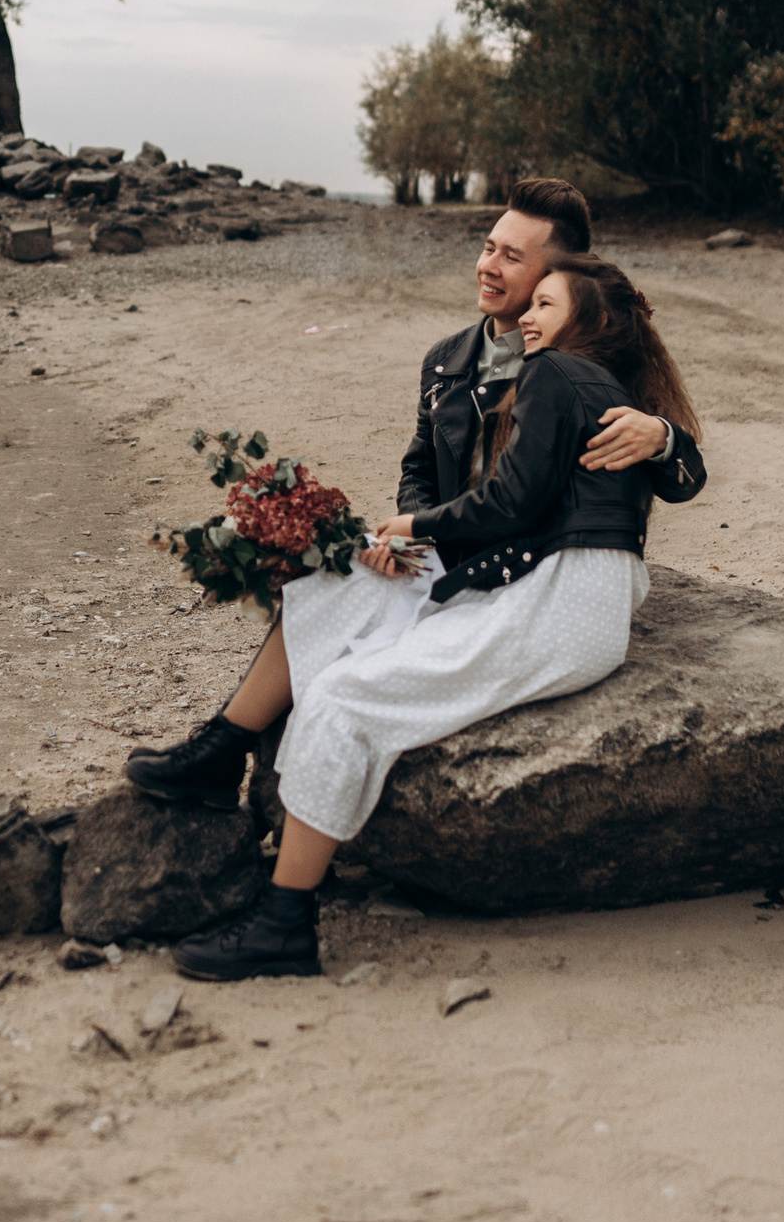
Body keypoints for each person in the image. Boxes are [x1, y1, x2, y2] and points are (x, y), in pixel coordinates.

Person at [125, 210, 705, 980]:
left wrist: (663, 435)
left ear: (556, 281)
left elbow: (564, 496)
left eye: (516, 262)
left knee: (343, 696)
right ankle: (224, 749)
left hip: (536, 569)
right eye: (488, 247)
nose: (491, 268)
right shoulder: (453, 361)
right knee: (337, 579)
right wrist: (405, 531)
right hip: (487, 557)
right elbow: (422, 467)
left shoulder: (576, 360)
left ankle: (285, 916)